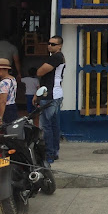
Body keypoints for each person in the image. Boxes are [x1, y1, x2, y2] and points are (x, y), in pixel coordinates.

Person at [35, 35, 65, 163]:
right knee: (53, 125)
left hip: (51, 96)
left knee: (47, 126)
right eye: (49, 43)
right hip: (51, 95)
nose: (50, 46)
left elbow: (40, 72)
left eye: (53, 44)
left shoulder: (56, 57)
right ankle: (54, 152)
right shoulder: (56, 57)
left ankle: (49, 154)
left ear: (60, 46)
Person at [0, 58, 18, 125]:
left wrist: (0, 117)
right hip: (13, 106)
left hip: (5, 109)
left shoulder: (4, 83)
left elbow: (3, 101)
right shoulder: (12, 79)